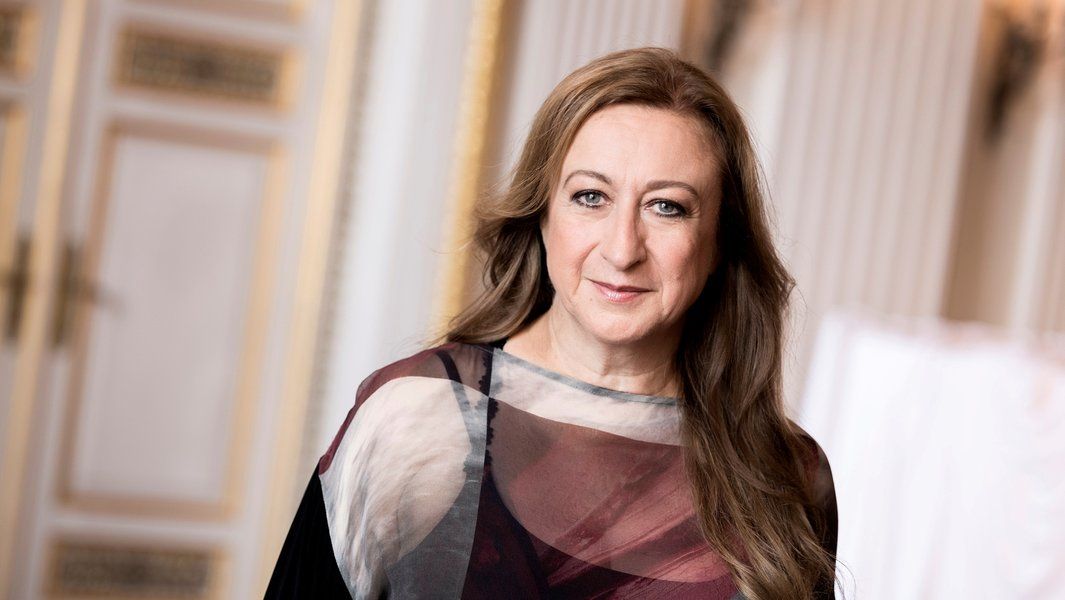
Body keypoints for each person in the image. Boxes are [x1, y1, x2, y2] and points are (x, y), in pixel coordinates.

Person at [266, 46, 837, 600]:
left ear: (718, 243)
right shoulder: (419, 418)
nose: (622, 249)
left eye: (667, 206)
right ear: (541, 216)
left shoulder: (786, 476)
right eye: (590, 197)